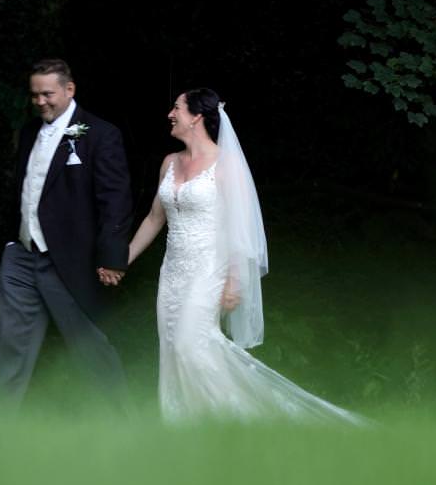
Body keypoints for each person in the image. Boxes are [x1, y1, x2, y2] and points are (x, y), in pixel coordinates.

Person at [122, 88, 362, 423]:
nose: (170, 114)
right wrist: (124, 258)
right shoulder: (169, 163)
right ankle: (186, 426)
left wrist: (235, 281)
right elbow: (154, 218)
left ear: (197, 117)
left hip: (209, 270)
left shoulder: (226, 165)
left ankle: (240, 420)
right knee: (175, 348)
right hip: (173, 272)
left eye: (176, 108)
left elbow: (241, 228)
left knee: (193, 346)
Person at [0, 59, 132, 401]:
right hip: (21, 255)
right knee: (11, 342)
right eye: (34, 95)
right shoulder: (27, 132)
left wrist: (113, 256)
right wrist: (12, 242)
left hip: (68, 259)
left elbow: (115, 200)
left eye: (47, 94)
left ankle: (121, 421)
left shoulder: (100, 134)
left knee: (88, 344)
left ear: (70, 89)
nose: (40, 102)